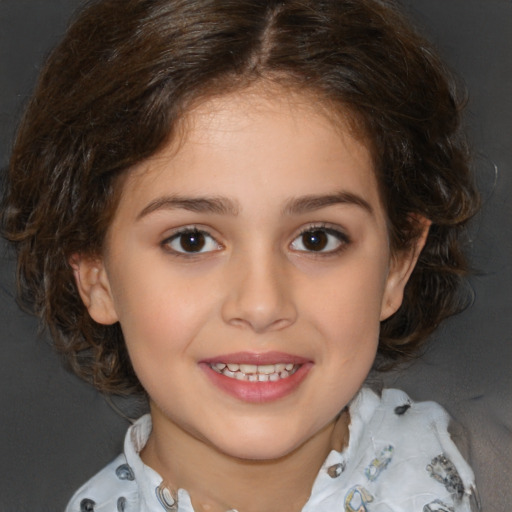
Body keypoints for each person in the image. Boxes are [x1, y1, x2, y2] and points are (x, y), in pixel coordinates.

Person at [1, 0, 482, 510]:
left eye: (316, 239)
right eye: (192, 240)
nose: (260, 305)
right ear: (96, 276)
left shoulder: (484, 477)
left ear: (398, 264)